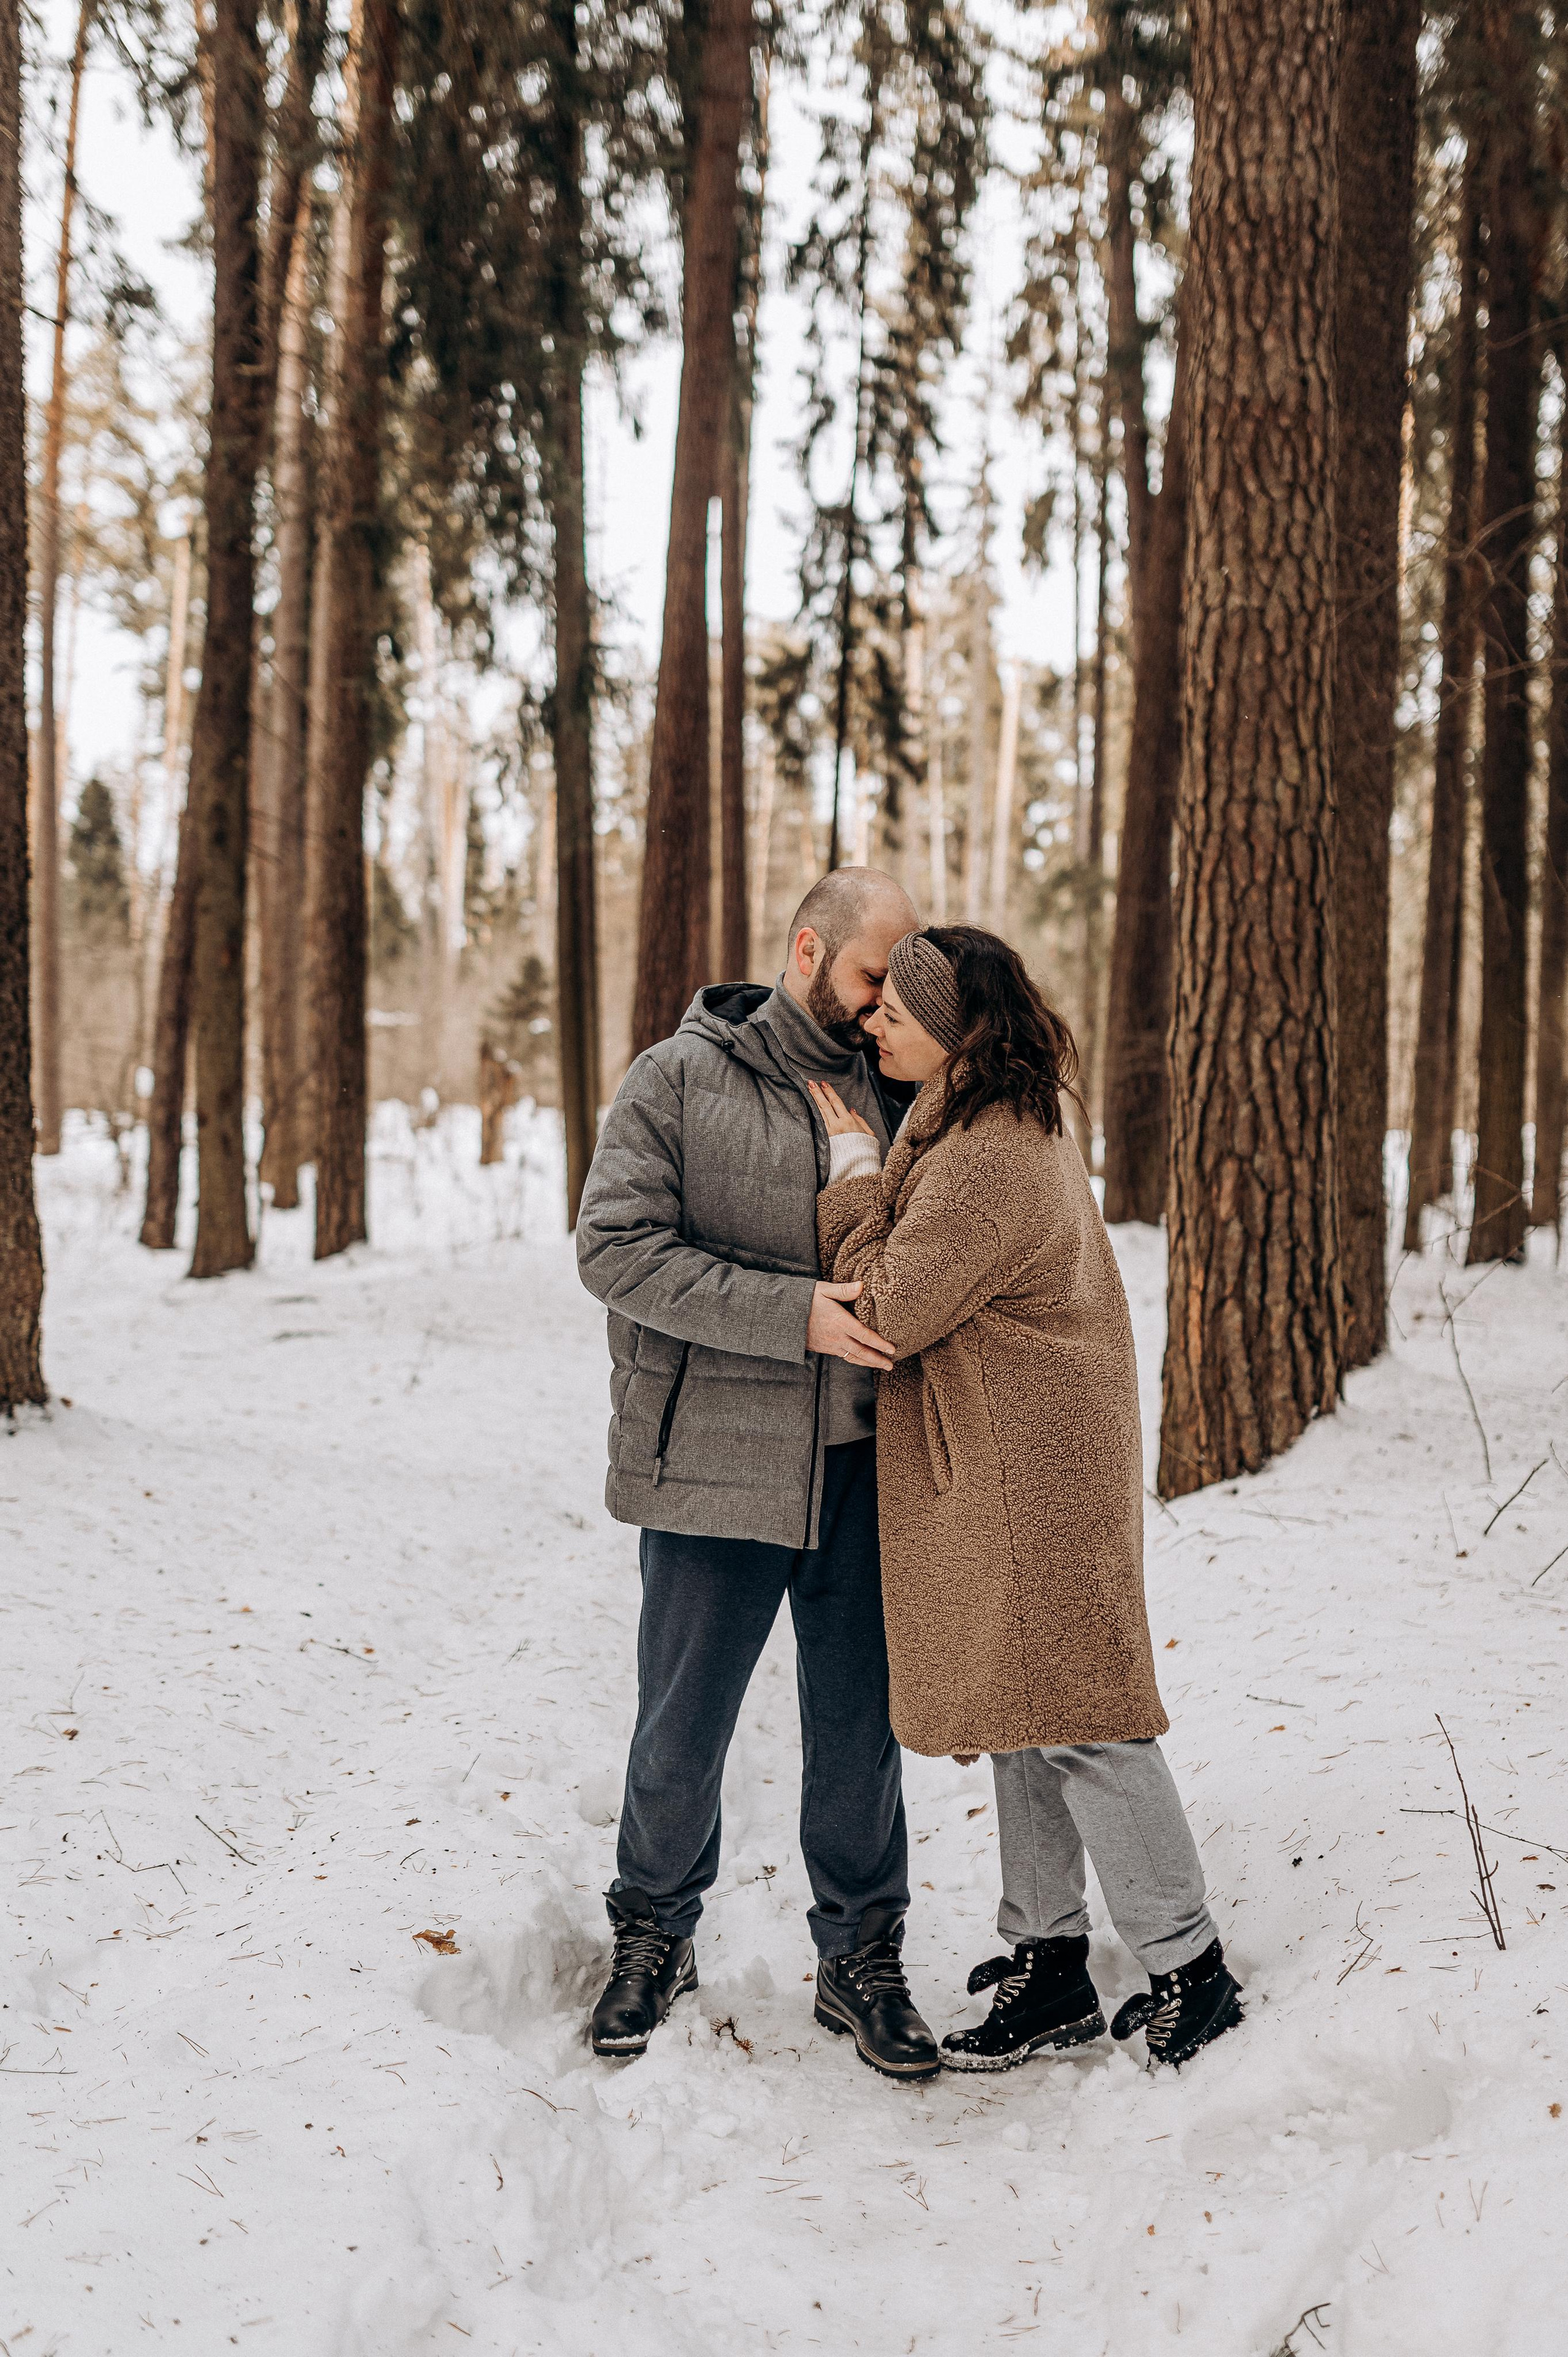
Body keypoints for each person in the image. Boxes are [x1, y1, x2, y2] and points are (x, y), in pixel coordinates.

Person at [808, 924, 1243, 2072]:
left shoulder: (991, 1149)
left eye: (892, 1014)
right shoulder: (984, 1121)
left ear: (950, 1031)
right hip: (1020, 1458)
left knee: (1087, 1715)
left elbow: (887, 1308)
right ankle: (1049, 1965)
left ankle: (1191, 1972)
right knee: (1025, 1712)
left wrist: (852, 1174)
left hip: (1032, 1473)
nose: (872, 1026)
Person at [575, 869, 943, 2079]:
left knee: (856, 1732)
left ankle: (861, 1956)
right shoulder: (673, 1079)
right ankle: (650, 1934)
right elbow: (615, 1251)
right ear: (804, 950)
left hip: (859, 1467)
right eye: (869, 976)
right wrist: (793, 1314)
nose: (884, 1002)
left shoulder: (902, 1090)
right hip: (712, 1464)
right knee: (679, 1727)